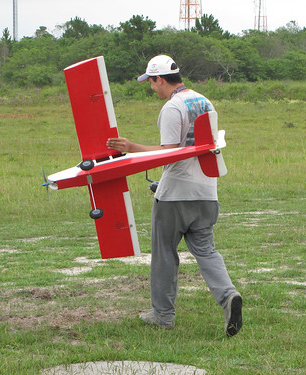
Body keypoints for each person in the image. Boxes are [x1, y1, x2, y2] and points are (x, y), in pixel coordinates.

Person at [106, 55, 242, 337]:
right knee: (206, 251)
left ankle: (163, 315)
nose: (151, 88)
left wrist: (130, 147)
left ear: (159, 79)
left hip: (175, 196)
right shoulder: (204, 101)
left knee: (164, 254)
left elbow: (169, 153)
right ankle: (228, 295)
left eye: (151, 83)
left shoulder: (172, 107)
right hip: (207, 191)